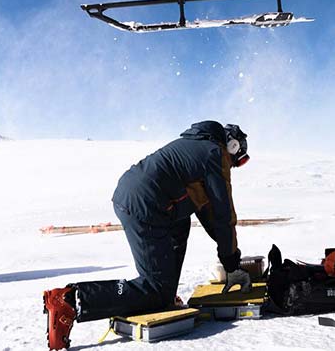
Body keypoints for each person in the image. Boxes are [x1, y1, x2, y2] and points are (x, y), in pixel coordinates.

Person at [43, 121, 251, 349]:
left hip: (139, 197)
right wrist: (231, 264)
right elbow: (223, 213)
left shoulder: (195, 146)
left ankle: (166, 296)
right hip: (147, 205)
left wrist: (229, 257)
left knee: (181, 226)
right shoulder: (215, 153)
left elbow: (209, 214)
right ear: (231, 145)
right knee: (154, 289)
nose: (232, 166)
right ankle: (71, 300)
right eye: (236, 159)